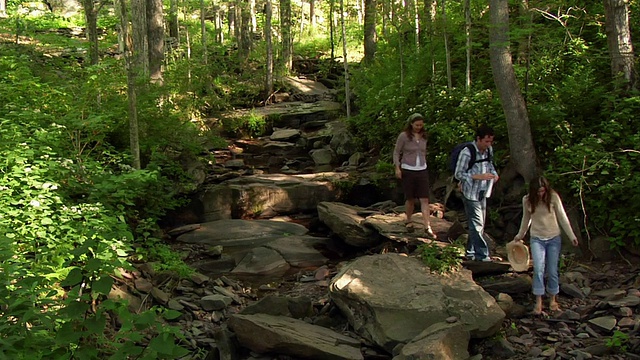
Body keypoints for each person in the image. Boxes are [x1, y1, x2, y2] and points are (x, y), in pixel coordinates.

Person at [513, 176, 579, 315]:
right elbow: (526, 219)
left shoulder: (553, 197)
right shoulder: (527, 200)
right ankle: (538, 302)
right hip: (537, 238)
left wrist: (572, 236)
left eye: (543, 191)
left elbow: (562, 217)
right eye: (538, 192)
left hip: (554, 237)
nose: (541, 194)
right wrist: (520, 235)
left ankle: (553, 300)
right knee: (538, 269)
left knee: (553, 270)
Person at [454, 125, 499, 262]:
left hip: (484, 191)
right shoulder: (467, 152)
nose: (488, 144)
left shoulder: (488, 151)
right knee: (477, 223)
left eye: (490, 141)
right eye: (486, 141)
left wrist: (495, 175)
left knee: (478, 225)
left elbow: (490, 166)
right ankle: (482, 255)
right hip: (470, 192)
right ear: (478, 139)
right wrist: (477, 176)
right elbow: (458, 174)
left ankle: (470, 252)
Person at [393, 113, 436, 238]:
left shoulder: (424, 137)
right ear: (411, 124)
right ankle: (408, 220)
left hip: (422, 169)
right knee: (410, 198)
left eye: (421, 125)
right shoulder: (404, 136)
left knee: (424, 199)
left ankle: (427, 226)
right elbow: (396, 152)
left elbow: (424, 152)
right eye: (416, 125)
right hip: (408, 169)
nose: (418, 127)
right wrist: (397, 168)